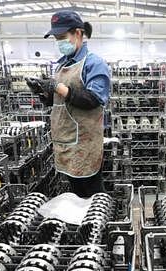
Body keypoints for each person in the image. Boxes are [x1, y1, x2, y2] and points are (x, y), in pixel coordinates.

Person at [27, 11, 110, 198]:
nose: (59, 42)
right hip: (65, 141)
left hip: (84, 144)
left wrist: (57, 87)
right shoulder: (62, 64)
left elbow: (93, 99)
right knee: (77, 193)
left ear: (78, 33)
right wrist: (43, 92)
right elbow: (59, 101)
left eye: (63, 37)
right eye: (57, 38)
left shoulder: (93, 63)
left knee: (93, 194)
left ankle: (99, 226)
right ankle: (83, 225)